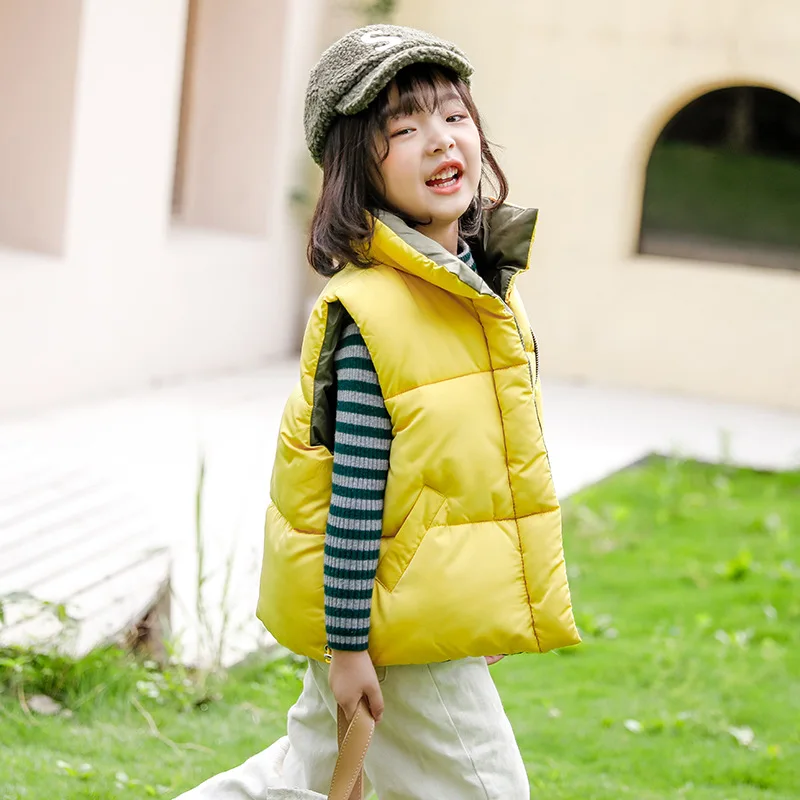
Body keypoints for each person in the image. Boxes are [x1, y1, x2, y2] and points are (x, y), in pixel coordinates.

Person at [257, 24, 580, 800]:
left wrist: (482, 609)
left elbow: (477, 478)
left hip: (418, 616)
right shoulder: (376, 314)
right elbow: (354, 499)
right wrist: (347, 649)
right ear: (355, 172)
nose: (440, 140)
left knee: (298, 783)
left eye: (454, 116)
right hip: (388, 627)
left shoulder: (479, 291)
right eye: (403, 130)